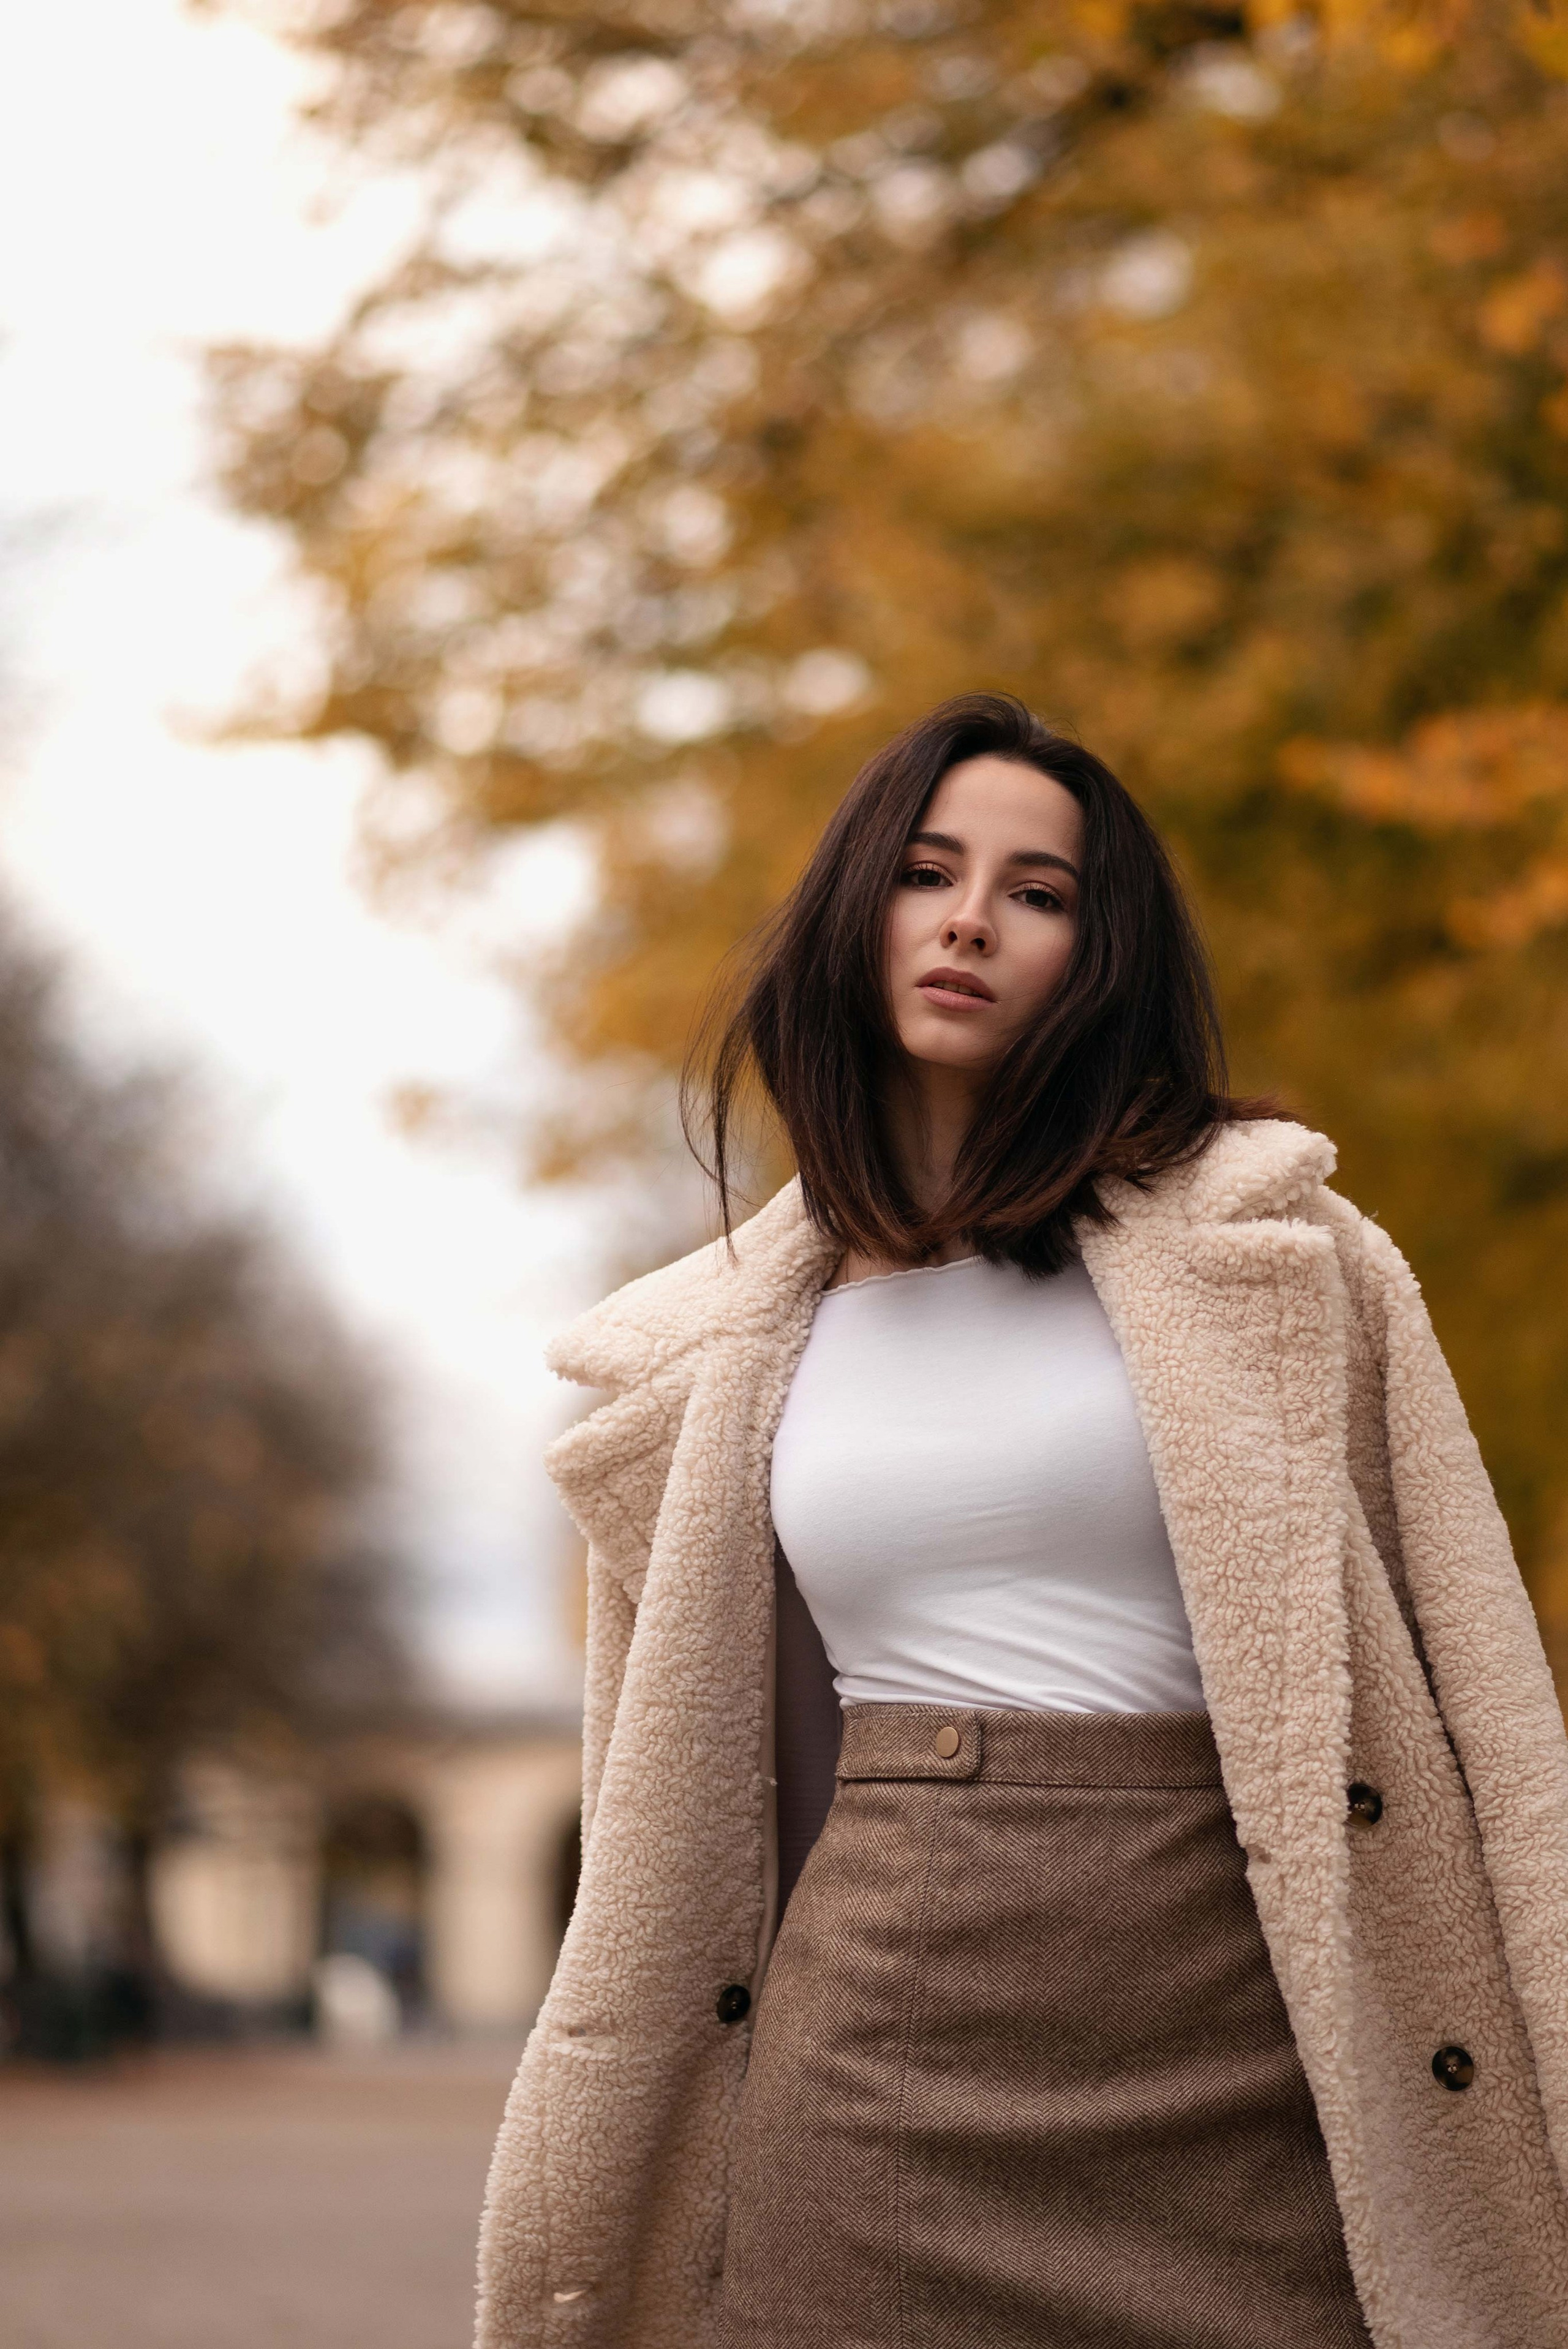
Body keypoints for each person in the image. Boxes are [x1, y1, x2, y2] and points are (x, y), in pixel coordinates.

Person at [477, 694, 1568, 2349]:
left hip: (1248, 2051)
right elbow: (679, 1803)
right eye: (929, 871)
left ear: (1101, 950)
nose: (974, 915)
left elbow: (1486, 1694)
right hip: (875, 2075)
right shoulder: (707, 1359)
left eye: (1039, 890)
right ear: (861, 912)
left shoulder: (1292, 1258)